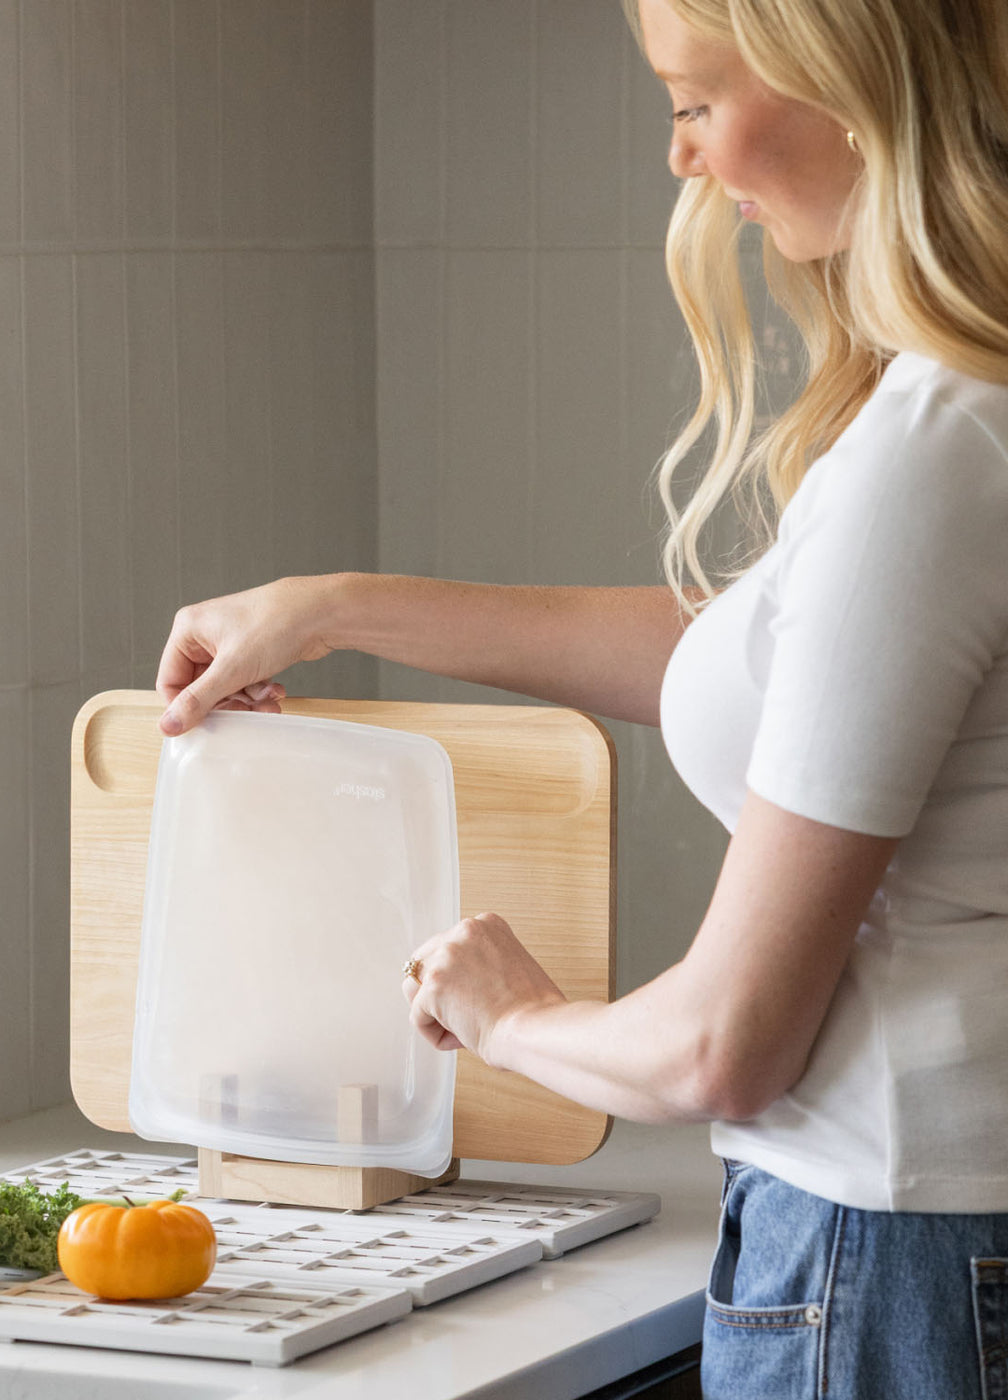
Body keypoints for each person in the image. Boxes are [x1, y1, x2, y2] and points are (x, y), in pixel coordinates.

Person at [154, 1, 1008, 1394]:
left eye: (689, 101)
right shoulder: (968, 415)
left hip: (890, 1254)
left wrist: (506, 1017)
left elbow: (722, 1048)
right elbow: (787, 663)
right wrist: (341, 607)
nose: (679, 158)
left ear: (842, 88)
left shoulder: (931, 458)